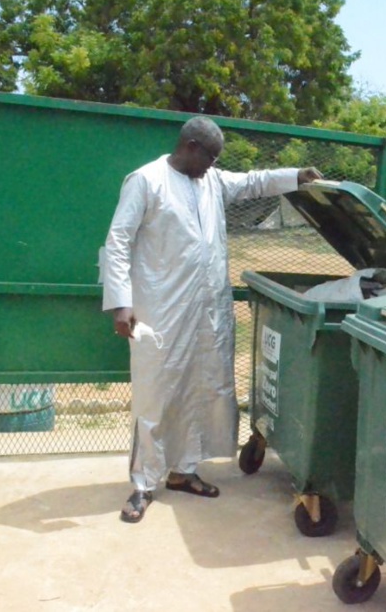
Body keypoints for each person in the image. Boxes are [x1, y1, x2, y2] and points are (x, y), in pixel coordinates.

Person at [102, 116, 323, 523]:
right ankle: (142, 484)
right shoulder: (146, 181)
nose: (213, 165)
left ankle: (184, 471)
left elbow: (254, 182)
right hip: (160, 310)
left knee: (200, 389)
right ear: (189, 146)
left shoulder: (211, 182)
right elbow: (118, 241)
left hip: (206, 310)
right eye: (210, 156)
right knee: (156, 393)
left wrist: (296, 176)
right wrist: (121, 303)